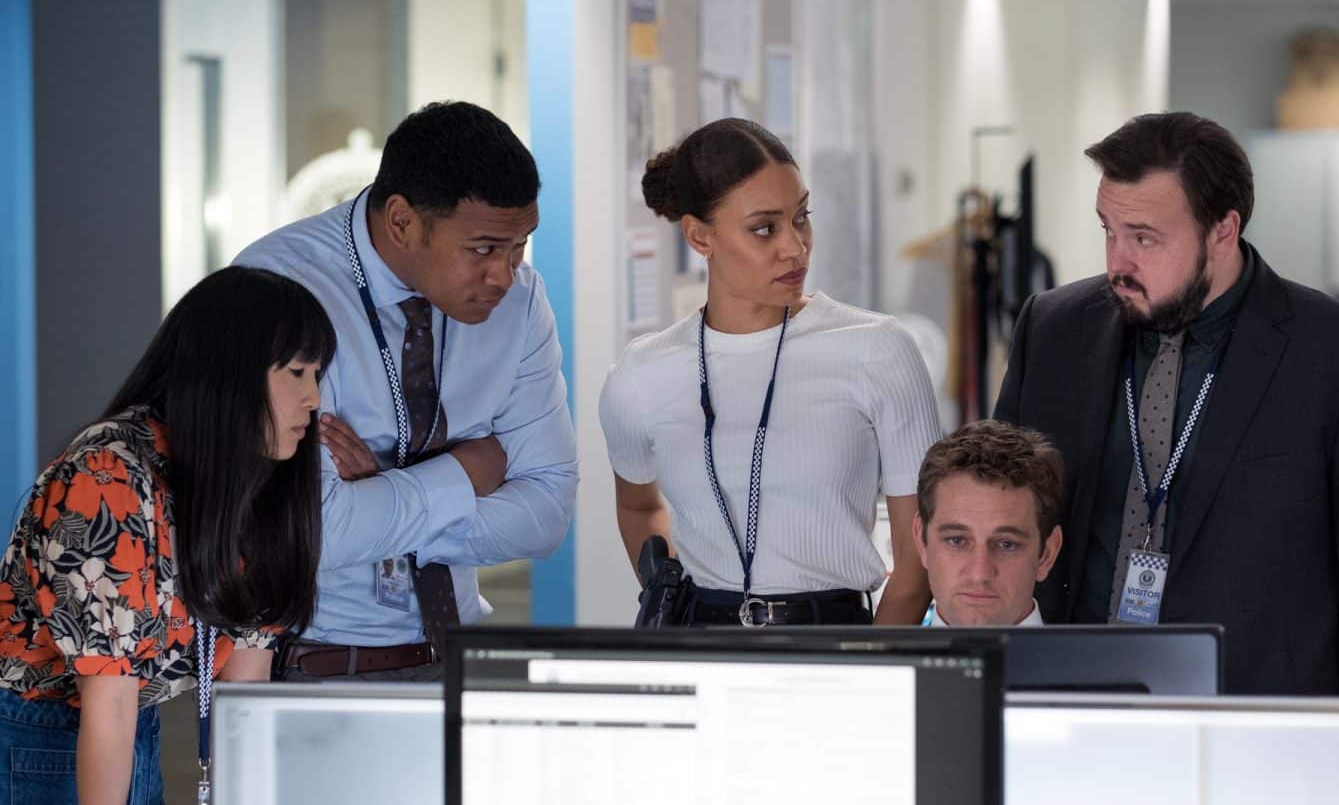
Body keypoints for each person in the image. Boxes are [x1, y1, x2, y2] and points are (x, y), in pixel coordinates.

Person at [994, 111, 1339, 694]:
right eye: (1109, 230)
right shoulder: (1052, 331)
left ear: (1223, 231)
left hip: (1259, 731)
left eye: (1145, 238)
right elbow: (997, 510)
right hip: (1069, 706)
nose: (1117, 262)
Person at [237, 101, 577, 680]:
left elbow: (546, 516)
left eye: (518, 246)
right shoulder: (278, 287)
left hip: (459, 657)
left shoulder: (519, 302)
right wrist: (466, 473)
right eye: (483, 249)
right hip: (316, 667)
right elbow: (315, 533)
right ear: (401, 222)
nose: (504, 273)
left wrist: (384, 490)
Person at [0, 266, 335, 804]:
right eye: (296, 372)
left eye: (318, 374)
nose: (314, 397)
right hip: (43, 734)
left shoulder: (257, 475)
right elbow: (107, 703)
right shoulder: (105, 479)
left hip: (133, 725)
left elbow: (243, 690)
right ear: (229, 373)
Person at [600, 118, 942, 626]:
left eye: (801, 218)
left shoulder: (878, 350)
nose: (795, 246)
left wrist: (870, 669)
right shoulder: (641, 375)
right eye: (765, 229)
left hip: (836, 642)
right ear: (699, 236)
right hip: (698, 643)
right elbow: (637, 508)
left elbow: (918, 562)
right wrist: (667, 601)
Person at [913, 421, 1063, 628]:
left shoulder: (1099, 662)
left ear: (1047, 554)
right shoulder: (881, 662)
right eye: (957, 540)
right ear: (922, 541)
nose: (979, 574)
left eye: (1007, 544)